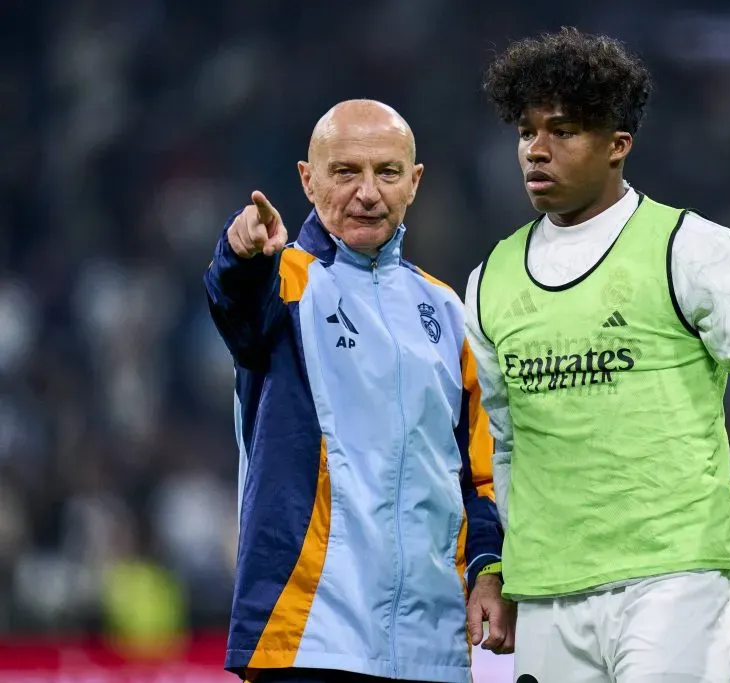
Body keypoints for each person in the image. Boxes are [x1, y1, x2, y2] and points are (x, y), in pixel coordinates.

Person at [465, 28, 730, 683]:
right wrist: (499, 566)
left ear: (618, 145)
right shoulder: (489, 282)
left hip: (673, 571)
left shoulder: (691, 249)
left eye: (562, 131)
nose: (536, 149)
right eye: (526, 131)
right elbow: (501, 445)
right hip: (548, 586)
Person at [204, 99, 513, 683]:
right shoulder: (283, 282)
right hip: (311, 638)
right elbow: (234, 303)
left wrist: (488, 570)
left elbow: (479, 475)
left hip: (433, 646)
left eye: (387, 172)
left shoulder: (447, 312)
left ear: (414, 182)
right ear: (308, 179)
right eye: (346, 172)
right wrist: (238, 252)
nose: (368, 192)